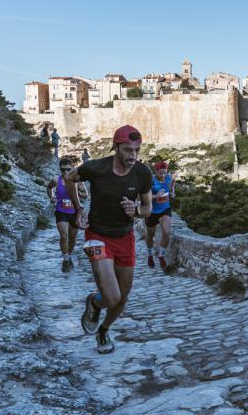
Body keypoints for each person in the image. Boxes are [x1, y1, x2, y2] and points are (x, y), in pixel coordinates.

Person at [64, 125, 152, 354]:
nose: (133, 156)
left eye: (136, 150)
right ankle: (94, 302)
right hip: (97, 236)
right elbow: (69, 179)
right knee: (111, 296)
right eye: (127, 150)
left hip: (125, 237)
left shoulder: (142, 173)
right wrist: (78, 209)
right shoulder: (96, 167)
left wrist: (136, 210)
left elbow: (148, 209)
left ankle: (103, 331)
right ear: (116, 148)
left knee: (122, 298)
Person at [47, 158, 88, 272]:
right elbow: (49, 187)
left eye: (68, 169)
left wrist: (76, 193)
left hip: (75, 212)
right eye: (63, 170)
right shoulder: (56, 180)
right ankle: (65, 260)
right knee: (64, 236)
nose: (65, 172)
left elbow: (85, 195)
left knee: (72, 237)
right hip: (61, 211)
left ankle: (69, 255)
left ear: (73, 168)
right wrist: (51, 197)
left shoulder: (79, 182)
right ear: (60, 169)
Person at [145, 160, 175, 270]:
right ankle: (149, 255)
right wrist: (155, 196)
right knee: (150, 235)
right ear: (155, 171)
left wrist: (172, 191)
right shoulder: (150, 181)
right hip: (152, 211)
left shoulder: (169, 177)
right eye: (160, 173)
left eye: (164, 172)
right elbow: (142, 197)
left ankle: (161, 256)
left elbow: (173, 182)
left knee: (166, 232)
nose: (163, 175)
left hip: (165, 209)